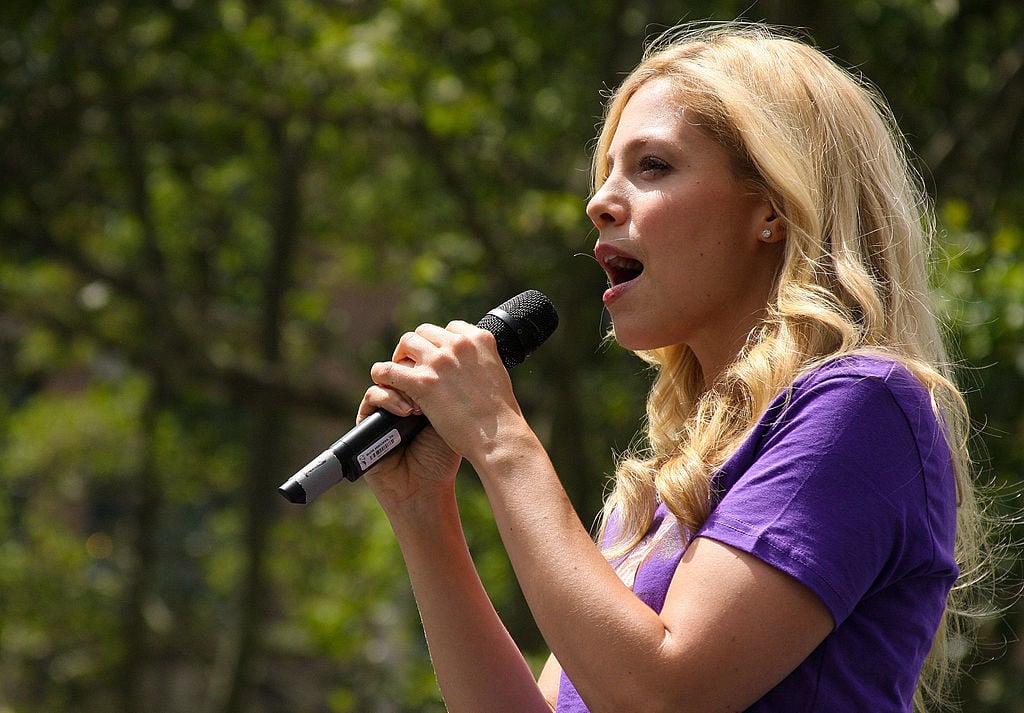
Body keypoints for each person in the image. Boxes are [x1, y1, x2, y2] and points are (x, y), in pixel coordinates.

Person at [357, 21, 988, 713]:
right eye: (606, 174)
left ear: (774, 206)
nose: (598, 202)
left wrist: (498, 435)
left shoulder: (862, 406)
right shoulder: (657, 496)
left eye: (652, 166)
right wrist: (424, 513)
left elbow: (661, 694)